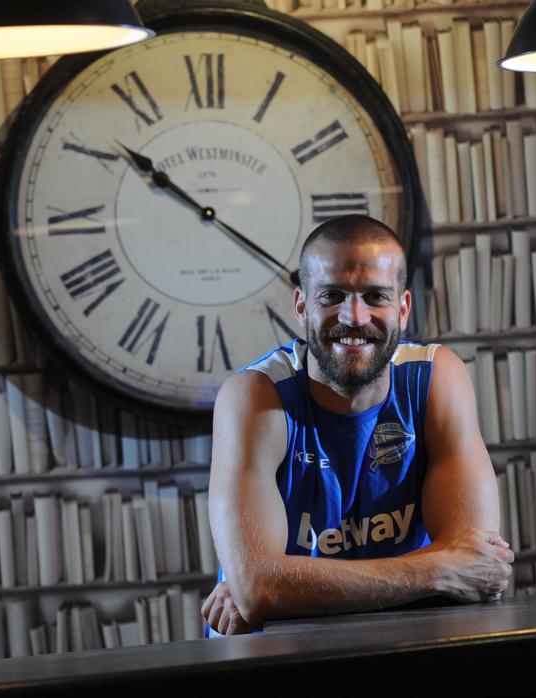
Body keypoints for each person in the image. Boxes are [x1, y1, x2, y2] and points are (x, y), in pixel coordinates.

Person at [201, 214, 513, 637]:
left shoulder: (436, 378)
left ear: (402, 309)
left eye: (374, 296)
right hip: (280, 659)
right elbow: (259, 591)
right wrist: (438, 569)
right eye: (331, 295)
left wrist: (287, 591)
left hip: (403, 644)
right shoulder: (253, 397)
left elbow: (476, 573)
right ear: (301, 306)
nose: (353, 316)